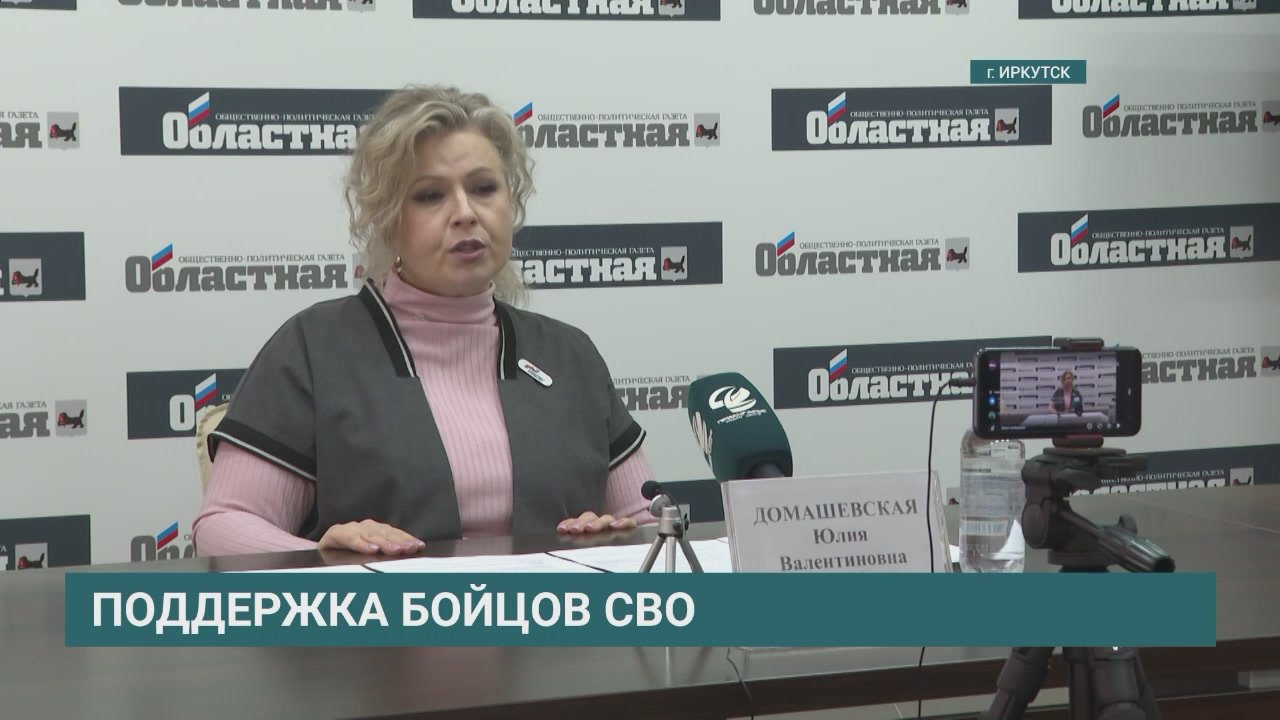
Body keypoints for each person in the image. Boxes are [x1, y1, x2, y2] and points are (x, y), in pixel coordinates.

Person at [192, 85, 655, 557]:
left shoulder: (569, 354)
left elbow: (650, 524)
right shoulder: (313, 349)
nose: (466, 213)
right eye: (431, 196)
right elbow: (222, 526)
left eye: (484, 188)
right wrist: (323, 561)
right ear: (388, 218)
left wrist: (613, 539)